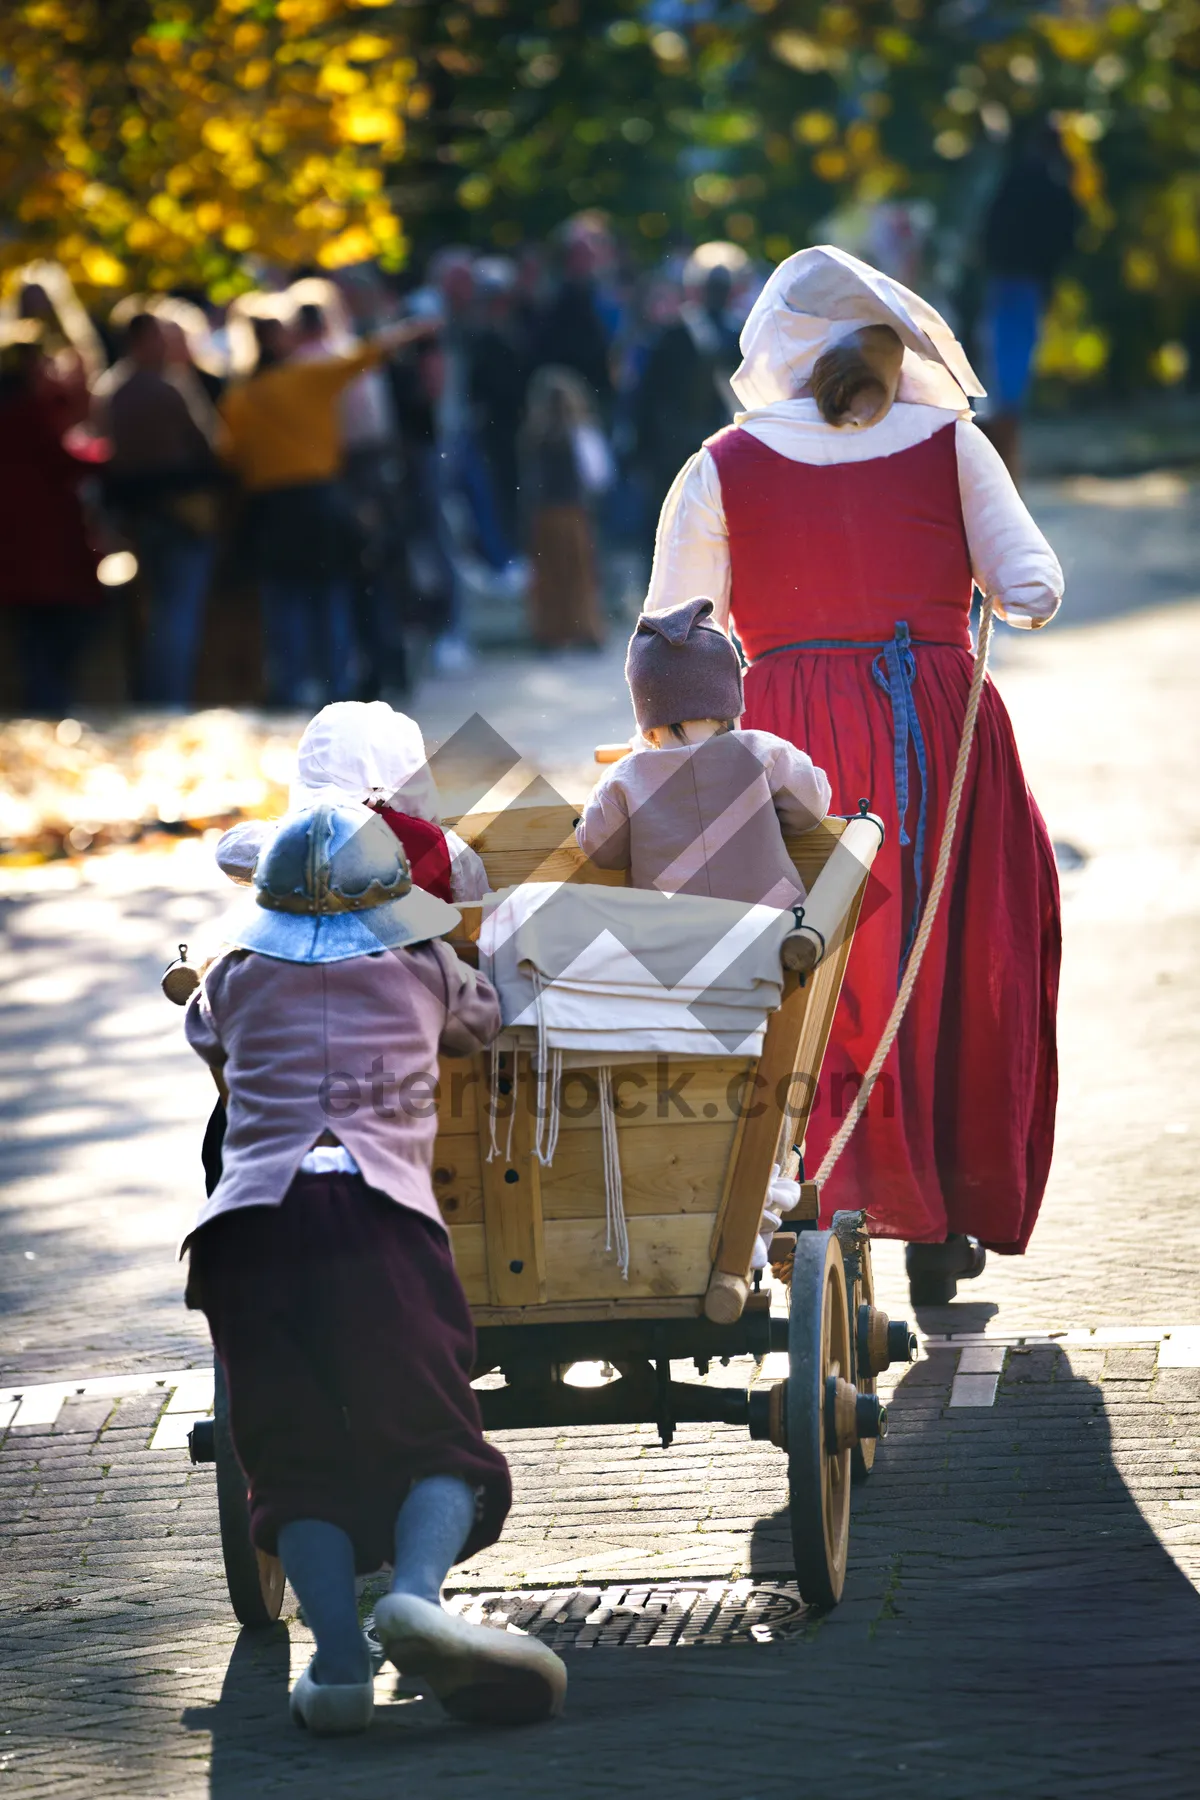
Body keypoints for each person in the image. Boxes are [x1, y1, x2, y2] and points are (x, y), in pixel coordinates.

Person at [644, 244, 1064, 1307]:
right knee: (953, 956)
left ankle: (822, 1196)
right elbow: (1031, 588)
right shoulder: (950, 443)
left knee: (813, 975)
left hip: (788, 744)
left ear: (780, 350)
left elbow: (671, 633)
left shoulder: (722, 462)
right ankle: (943, 1210)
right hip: (936, 728)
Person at [184, 805, 567, 1734]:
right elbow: (482, 1025)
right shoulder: (424, 964)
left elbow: (207, 1041)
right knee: (439, 1440)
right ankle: (418, 1597)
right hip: (374, 1217)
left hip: (246, 1233)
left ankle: (341, 1668)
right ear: (395, 901)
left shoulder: (235, 974)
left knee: (290, 1458)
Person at [219, 308, 431, 709]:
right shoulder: (307, 377)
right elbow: (364, 355)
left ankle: (290, 688)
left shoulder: (239, 398)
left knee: (285, 602)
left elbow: (230, 455)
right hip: (317, 499)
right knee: (329, 595)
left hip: (268, 507)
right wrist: (409, 331)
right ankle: (337, 689)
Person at [576, 596, 831, 914]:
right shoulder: (760, 751)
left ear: (648, 721)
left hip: (670, 940)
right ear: (729, 703)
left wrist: (587, 814)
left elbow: (601, 850)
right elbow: (811, 806)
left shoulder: (628, 776)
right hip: (770, 930)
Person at [215, 699, 491, 905]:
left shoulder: (298, 841)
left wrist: (288, 831)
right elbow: (475, 910)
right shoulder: (443, 846)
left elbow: (229, 853)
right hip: (417, 975)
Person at [100, 311, 222, 708]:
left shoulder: (111, 390)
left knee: (155, 611)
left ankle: (155, 695)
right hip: (179, 512)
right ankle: (168, 698)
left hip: (137, 514)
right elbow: (209, 443)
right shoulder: (167, 388)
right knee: (177, 610)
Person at [0, 328, 105, 713]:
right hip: (44, 540)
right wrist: (107, 457)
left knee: (34, 628)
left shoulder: (21, 410)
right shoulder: (32, 413)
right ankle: (48, 702)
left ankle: (44, 699)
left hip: (19, 541)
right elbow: (66, 460)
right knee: (54, 625)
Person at [979, 123, 1081, 481]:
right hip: (1028, 281)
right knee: (1017, 353)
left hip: (1005, 277)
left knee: (1001, 349)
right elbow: (1069, 233)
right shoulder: (1055, 184)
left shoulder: (1013, 179)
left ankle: (1004, 424)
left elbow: (989, 228)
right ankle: (1008, 423)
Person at [634, 244, 744, 533]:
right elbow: (651, 391)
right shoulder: (679, 331)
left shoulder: (735, 333)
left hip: (713, 437)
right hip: (677, 440)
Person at [519, 365, 611, 650]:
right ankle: (582, 629)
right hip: (572, 513)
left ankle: (551, 631)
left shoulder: (534, 435)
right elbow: (598, 475)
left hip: (545, 515)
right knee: (578, 575)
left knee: (550, 576)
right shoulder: (579, 433)